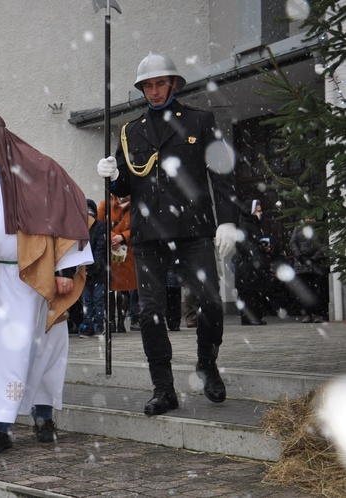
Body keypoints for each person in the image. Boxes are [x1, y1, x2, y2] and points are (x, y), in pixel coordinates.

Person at [97, 52, 238, 417]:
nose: (154, 91)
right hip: (148, 233)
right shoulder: (130, 132)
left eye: (160, 83)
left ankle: (207, 363)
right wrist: (112, 177)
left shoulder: (200, 121)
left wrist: (227, 221)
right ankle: (164, 388)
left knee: (209, 301)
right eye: (148, 85)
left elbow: (222, 175)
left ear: (173, 84)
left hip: (193, 228)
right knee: (150, 313)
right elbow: (127, 186)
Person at [0, 112, 91, 454]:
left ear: (2, 137)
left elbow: (68, 211)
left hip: (37, 275)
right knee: (1, 354)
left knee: (45, 345)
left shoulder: (40, 170)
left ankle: (43, 414)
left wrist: (63, 270)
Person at [98, 194, 138, 334]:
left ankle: (121, 322)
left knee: (124, 287)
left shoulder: (136, 205)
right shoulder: (105, 204)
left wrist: (123, 236)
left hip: (127, 251)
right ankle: (110, 322)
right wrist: (112, 237)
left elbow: (139, 226)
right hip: (109, 251)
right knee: (108, 287)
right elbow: (99, 225)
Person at [233, 199, 269, 326]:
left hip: (255, 265)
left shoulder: (256, 225)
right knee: (249, 292)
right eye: (257, 211)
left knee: (255, 291)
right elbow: (243, 244)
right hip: (247, 266)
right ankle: (250, 318)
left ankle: (255, 317)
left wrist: (267, 247)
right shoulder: (243, 225)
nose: (260, 213)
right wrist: (258, 247)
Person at [289, 217, 329, 323]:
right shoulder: (298, 229)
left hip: (316, 265)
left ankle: (317, 314)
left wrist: (314, 258)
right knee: (305, 290)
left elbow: (323, 245)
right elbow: (293, 243)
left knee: (317, 290)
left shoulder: (319, 229)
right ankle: (307, 314)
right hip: (301, 264)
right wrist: (300, 256)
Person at [79, 199, 107, 337]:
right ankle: (87, 325)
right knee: (87, 300)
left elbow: (100, 250)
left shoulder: (99, 227)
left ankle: (99, 326)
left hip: (97, 271)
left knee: (97, 300)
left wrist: (93, 267)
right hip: (85, 270)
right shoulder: (79, 227)